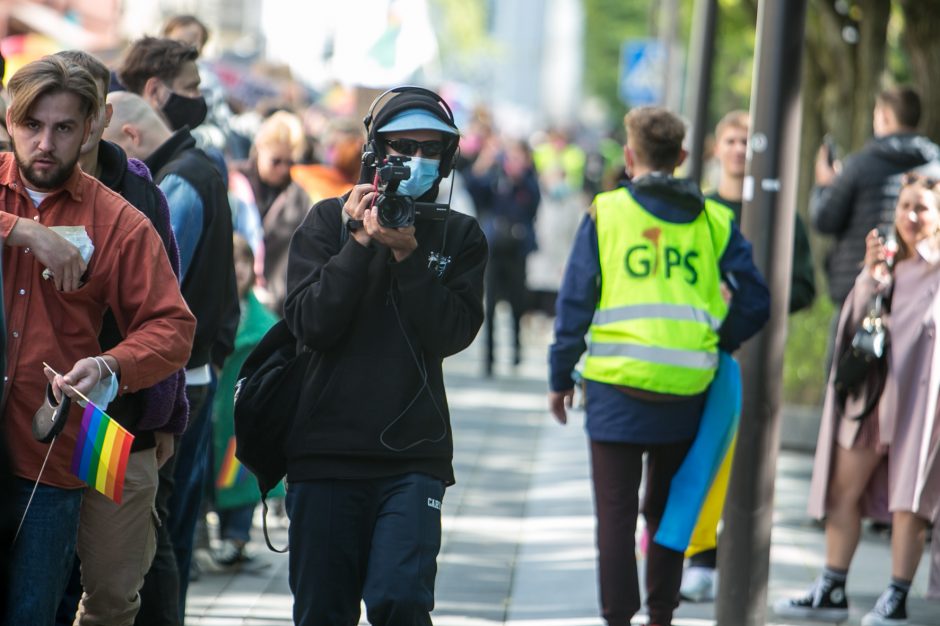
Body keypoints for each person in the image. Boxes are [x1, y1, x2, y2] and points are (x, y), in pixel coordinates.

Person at [548, 106, 769, 626]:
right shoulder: (716, 221)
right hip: (687, 388)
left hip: (615, 388)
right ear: (684, 157)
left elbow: (575, 303)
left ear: (629, 157)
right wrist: (717, 341)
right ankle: (662, 616)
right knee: (670, 508)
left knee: (616, 515)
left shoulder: (607, 212)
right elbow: (756, 300)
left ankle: (619, 618)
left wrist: (560, 378)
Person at [1, 55, 195, 626]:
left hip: (59, 453)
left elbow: (174, 326)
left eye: (62, 127)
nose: (44, 143)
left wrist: (112, 367)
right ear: (10, 121)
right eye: (31, 125)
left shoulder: (124, 216)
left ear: (92, 127)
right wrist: (24, 231)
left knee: (83, 600)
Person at [281, 85, 487, 625]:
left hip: (413, 457)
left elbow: (453, 334)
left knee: (401, 600)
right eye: (402, 147)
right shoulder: (328, 221)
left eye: (430, 150)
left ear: (447, 159)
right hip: (325, 453)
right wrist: (358, 244)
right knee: (323, 611)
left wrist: (410, 259)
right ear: (375, 152)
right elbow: (310, 325)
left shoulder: (459, 234)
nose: (416, 161)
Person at [775, 171, 940, 626]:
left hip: (921, 408)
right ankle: (831, 587)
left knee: (910, 500)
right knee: (842, 490)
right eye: (904, 206)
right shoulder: (885, 265)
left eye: (921, 208)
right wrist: (871, 275)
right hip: (872, 400)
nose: (910, 216)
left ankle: (896, 596)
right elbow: (852, 322)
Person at [103, 91, 237, 624]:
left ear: (129, 133)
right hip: (170, 381)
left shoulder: (170, 181)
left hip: (154, 390)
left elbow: (158, 298)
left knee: (149, 533)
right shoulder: (195, 167)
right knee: (159, 531)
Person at [678, 109, 816, 603]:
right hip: (699, 355)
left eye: (747, 142)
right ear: (717, 149)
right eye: (732, 140)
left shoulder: (781, 214)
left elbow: (804, 287)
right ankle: (699, 558)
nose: (740, 150)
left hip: (759, 356)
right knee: (701, 455)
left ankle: (734, 557)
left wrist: (756, 300)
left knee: (750, 459)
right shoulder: (697, 211)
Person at [812, 87, 940, 367]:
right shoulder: (936, 166)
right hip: (921, 293)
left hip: (858, 292)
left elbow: (824, 220)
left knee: (846, 382)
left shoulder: (860, 165)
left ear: (882, 116)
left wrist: (824, 186)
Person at [207, 235, 281, 568]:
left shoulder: (262, 322)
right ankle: (210, 537)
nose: (238, 270)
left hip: (242, 414)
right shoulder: (208, 310)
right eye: (232, 262)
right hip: (211, 411)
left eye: (244, 262)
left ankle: (236, 536)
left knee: (241, 475)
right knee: (208, 474)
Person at [465, 136, 541, 376]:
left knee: (518, 303)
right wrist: (486, 160)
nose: (514, 162)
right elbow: (472, 186)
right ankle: (489, 359)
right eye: (511, 157)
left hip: (517, 250)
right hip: (494, 249)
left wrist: (521, 179)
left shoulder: (529, 184)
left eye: (520, 157)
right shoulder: (495, 179)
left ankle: (516, 352)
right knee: (490, 306)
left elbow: (533, 208)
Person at [227, 110, 310, 314]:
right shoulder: (233, 181)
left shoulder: (299, 198)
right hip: (230, 296)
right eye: (276, 161)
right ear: (259, 148)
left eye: (290, 162)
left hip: (274, 305)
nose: (283, 169)